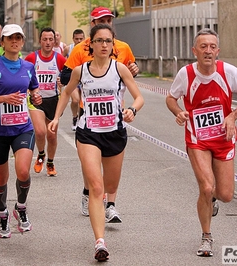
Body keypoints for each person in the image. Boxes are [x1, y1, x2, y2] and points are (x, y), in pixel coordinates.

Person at [48, 24, 144, 262]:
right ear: (90, 44)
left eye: (107, 41)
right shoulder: (81, 71)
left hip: (114, 133)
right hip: (88, 132)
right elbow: (66, 91)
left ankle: (104, 207)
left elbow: (139, 97)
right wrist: (57, 117)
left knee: (110, 186)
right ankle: (100, 241)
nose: (103, 45)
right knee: (97, 188)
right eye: (99, 40)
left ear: (113, 45)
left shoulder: (120, 69)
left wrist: (132, 109)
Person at [165, 28, 237, 257]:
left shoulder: (229, 72)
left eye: (212, 47)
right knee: (206, 187)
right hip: (198, 139)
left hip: (223, 139)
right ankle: (206, 236)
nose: (208, 51)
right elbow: (170, 97)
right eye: (203, 46)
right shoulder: (185, 74)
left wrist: (232, 116)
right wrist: (178, 111)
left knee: (225, 195)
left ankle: (213, 198)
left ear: (218, 51)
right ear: (194, 51)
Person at [60, 6, 139, 222]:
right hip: (89, 116)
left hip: (115, 116)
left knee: (111, 170)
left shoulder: (122, 46)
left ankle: (110, 204)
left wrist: (133, 71)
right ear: (92, 25)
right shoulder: (79, 50)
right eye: (101, 19)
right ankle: (90, 193)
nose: (106, 22)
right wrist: (74, 96)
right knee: (93, 169)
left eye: (109, 19)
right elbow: (67, 76)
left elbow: (133, 69)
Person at [0, 24, 42, 238]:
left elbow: (33, 90)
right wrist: (4, 98)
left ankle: (20, 208)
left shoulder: (28, 67)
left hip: (22, 127)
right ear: (2, 42)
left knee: (23, 171)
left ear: (22, 42)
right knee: (1, 179)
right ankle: (3, 214)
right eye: (9, 38)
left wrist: (36, 97)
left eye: (18, 38)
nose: (14, 41)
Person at [24, 27, 66, 176]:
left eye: (50, 39)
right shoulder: (31, 58)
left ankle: (50, 162)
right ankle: (41, 154)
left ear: (54, 41)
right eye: (45, 39)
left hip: (54, 100)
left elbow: (69, 76)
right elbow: (23, 76)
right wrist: (29, 91)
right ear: (40, 40)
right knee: (40, 132)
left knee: (52, 135)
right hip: (36, 100)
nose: (48, 42)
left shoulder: (59, 59)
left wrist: (63, 81)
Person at [62, 29, 85, 131]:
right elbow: (61, 61)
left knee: (82, 102)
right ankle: (74, 117)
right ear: (73, 39)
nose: (79, 41)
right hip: (73, 78)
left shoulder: (88, 49)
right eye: (77, 39)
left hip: (84, 79)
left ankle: (81, 120)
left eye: (81, 39)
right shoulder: (68, 49)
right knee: (75, 100)